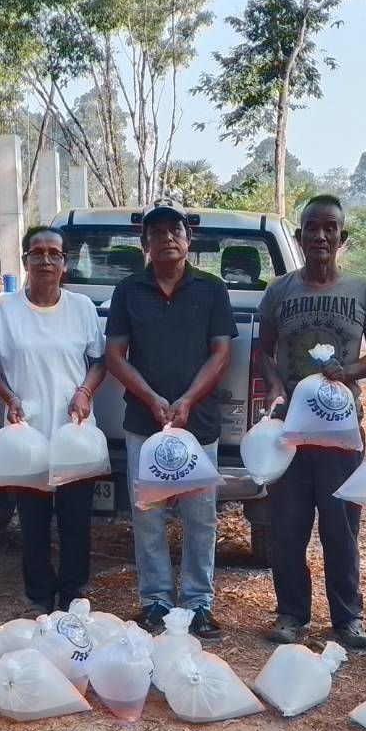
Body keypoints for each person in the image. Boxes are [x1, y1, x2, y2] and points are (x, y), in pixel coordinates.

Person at [258, 194, 366, 649]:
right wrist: (275, 385)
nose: (320, 236)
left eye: (329, 228)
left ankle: (347, 618)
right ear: (299, 237)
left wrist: (348, 373)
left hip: (340, 434)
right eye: (311, 227)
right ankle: (291, 614)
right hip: (291, 435)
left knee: (341, 529)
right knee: (288, 530)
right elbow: (263, 350)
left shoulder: (364, 291)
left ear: (342, 237)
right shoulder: (279, 291)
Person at [105, 203, 235, 638]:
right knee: (148, 516)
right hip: (144, 422)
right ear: (145, 243)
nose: (167, 238)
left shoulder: (212, 289)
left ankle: (198, 603)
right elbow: (114, 356)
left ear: (188, 238)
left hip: (199, 425)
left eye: (174, 230)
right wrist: (154, 398)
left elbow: (221, 352)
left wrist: (186, 400)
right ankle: (156, 601)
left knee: (201, 517)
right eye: (156, 232)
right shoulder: (128, 292)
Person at [0, 226, 107, 614]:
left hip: (74, 432)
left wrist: (85, 392)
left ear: (65, 263)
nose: (46, 261)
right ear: (26, 261)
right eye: (38, 253)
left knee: (75, 520)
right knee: (32, 522)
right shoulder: (5, 309)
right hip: (27, 433)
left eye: (54, 254)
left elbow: (99, 362)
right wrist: (9, 397)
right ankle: (38, 596)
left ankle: (71, 594)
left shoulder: (82, 308)